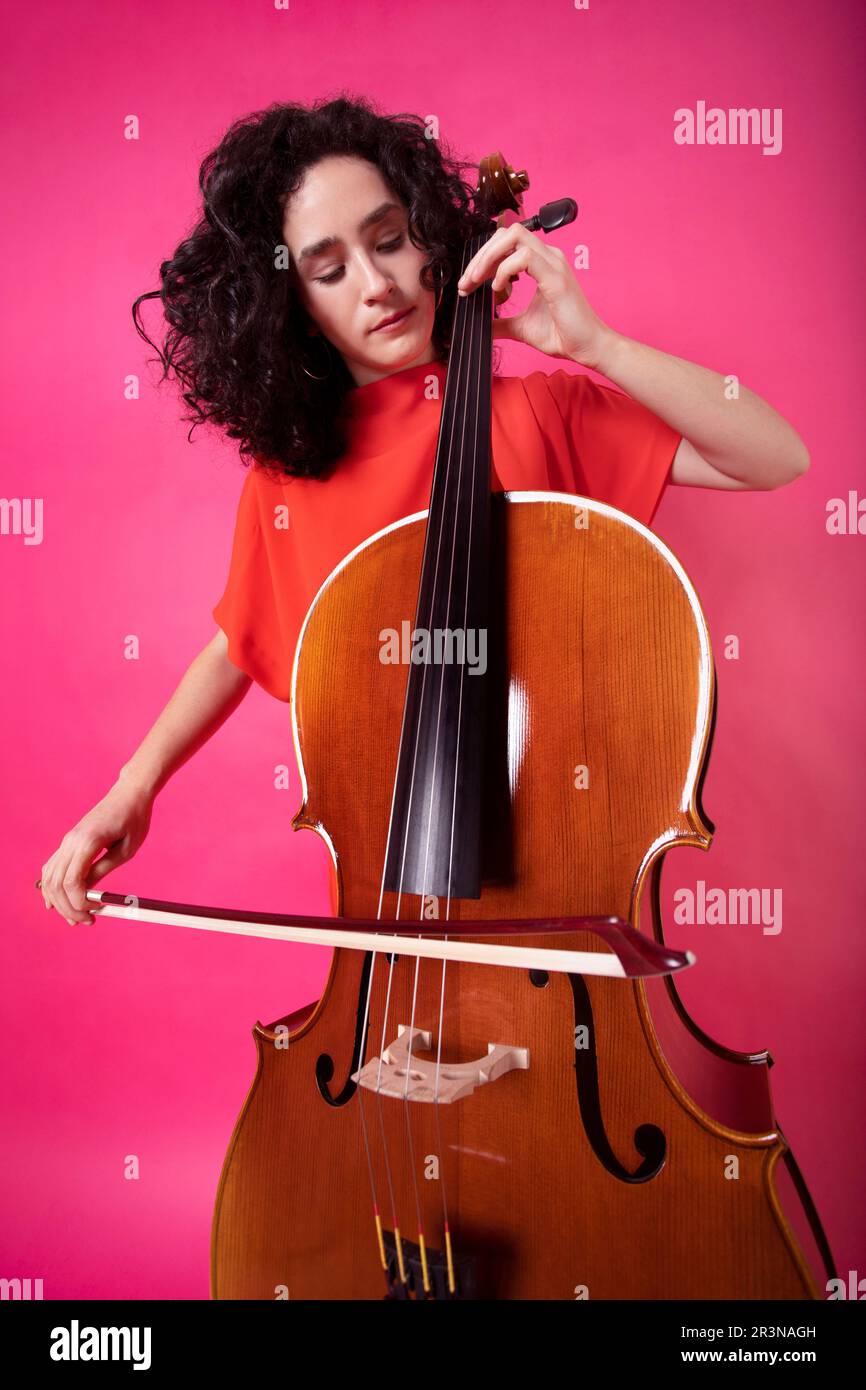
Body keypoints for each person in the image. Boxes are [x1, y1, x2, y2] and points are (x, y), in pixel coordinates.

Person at [38, 94, 809, 925]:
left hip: (555, 878)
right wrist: (133, 787)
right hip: (390, 898)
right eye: (330, 271)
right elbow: (239, 640)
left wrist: (596, 347)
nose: (377, 286)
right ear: (290, 306)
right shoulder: (287, 478)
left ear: (432, 239)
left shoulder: (540, 415)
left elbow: (773, 457)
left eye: (390, 240)